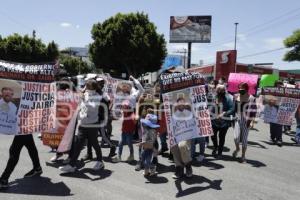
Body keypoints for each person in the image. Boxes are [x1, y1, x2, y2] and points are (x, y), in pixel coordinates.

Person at [59, 80, 104, 173]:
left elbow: (93, 107)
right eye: (86, 86)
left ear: (93, 87)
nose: (86, 88)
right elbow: (78, 100)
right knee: (78, 145)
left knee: (94, 143)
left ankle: (100, 161)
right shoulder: (85, 93)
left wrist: (84, 98)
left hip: (92, 125)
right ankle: (71, 165)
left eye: (88, 86)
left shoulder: (98, 96)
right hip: (82, 124)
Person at [232, 82, 257, 163]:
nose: (240, 90)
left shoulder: (251, 98)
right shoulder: (236, 96)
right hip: (237, 118)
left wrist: (252, 122)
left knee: (244, 139)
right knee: (236, 137)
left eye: (242, 88)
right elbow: (234, 108)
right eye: (239, 88)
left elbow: (253, 111)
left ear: (246, 89)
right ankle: (237, 148)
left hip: (247, 120)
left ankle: (243, 156)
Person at [210, 85, 234, 158]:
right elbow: (210, 107)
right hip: (214, 121)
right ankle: (215, 147)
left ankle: (220, 152)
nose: (219, 92)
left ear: (224, 91)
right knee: (213, 136)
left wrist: (224, 113)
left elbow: (232, 109)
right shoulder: (214, 97)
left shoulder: (228, 99)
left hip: (224, 122)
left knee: (222, 137)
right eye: (218, 90)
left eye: (221, 90)